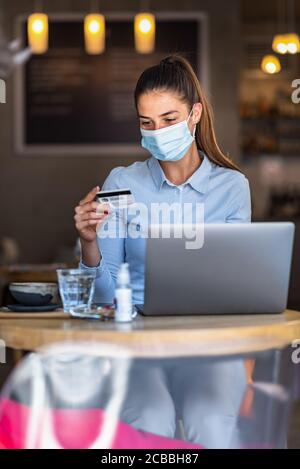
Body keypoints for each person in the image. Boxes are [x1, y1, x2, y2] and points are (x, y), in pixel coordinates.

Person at [74, 55, 251, 448]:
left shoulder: (232, 187)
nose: (158, 132)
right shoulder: (122, 183)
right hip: (135, 346)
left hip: (209, 348)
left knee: (213, 423)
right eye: (146, 123)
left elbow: (238, 290)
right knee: (150, 420)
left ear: (195, 114)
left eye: (169, 119)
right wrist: (89, 242)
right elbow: (102, 297)